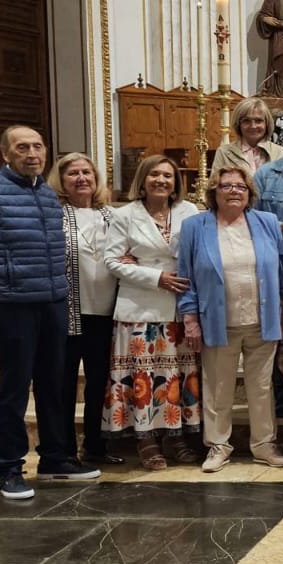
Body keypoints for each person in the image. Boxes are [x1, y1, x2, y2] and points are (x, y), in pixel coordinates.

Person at [0, 127, 99, 499]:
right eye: (22, 147)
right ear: (6, 154)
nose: (32, 153)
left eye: (37, 146)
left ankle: (54, 459)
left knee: (53, 384)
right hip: (13, 305)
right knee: (15, 389)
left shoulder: (49, 197)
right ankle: (8, 469)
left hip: (52, 303)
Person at [175, 166, 283, 473]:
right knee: (218, 386)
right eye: (226, 185)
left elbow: (280, 271)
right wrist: (190, 319)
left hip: (261, 319)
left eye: (240, 186)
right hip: (216, 320)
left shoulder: (266, 222)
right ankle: (218, 445)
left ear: (249, 192)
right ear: (214, 191)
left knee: (262, 387)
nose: (233, 190)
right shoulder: (195, 227)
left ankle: (264, 444)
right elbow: (185, 276)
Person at [103, 154, 202, 470]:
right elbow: (113, 261)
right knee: (144, 377)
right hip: (140, 310)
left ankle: (176, 437)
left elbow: (200, 250)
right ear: (143, 180)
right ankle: (146, 439)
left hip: (180, 308)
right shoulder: (126, 214)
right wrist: (155, 276)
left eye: (168, 176)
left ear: (176, 183)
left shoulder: (190, 212)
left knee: (177, 376)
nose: (162, 180)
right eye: (155, 175)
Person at [48, 153, 120, 467]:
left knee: (99, 383)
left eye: (87, 172)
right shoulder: (54, 215)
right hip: (69, 313)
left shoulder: (110, 215)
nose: (81, 179)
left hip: (106, 312)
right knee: (64, 384)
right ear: (61, 181)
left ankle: (95, 445)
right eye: (73, 174)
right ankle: (63, 448)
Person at [214, 97, 283, 180]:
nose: (253, 126)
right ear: (238, 124)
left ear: (267, 124)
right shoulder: (224, 153)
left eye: (258, 121)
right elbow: (214, 188)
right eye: (246, 121)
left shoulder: (280, 153)